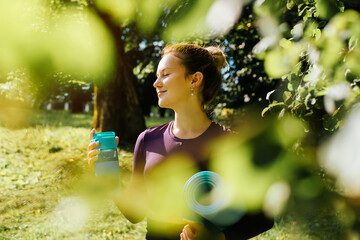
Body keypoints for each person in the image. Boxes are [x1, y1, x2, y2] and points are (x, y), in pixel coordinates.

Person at [87, 43, 273, 240]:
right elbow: (135, 214)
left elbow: (263, 217)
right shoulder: (147, 139)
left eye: (165, 74)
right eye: (157, 76)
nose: (156, 83)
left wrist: (219, 237)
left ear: (195, 79)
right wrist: (109, 175)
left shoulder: (231, 144)